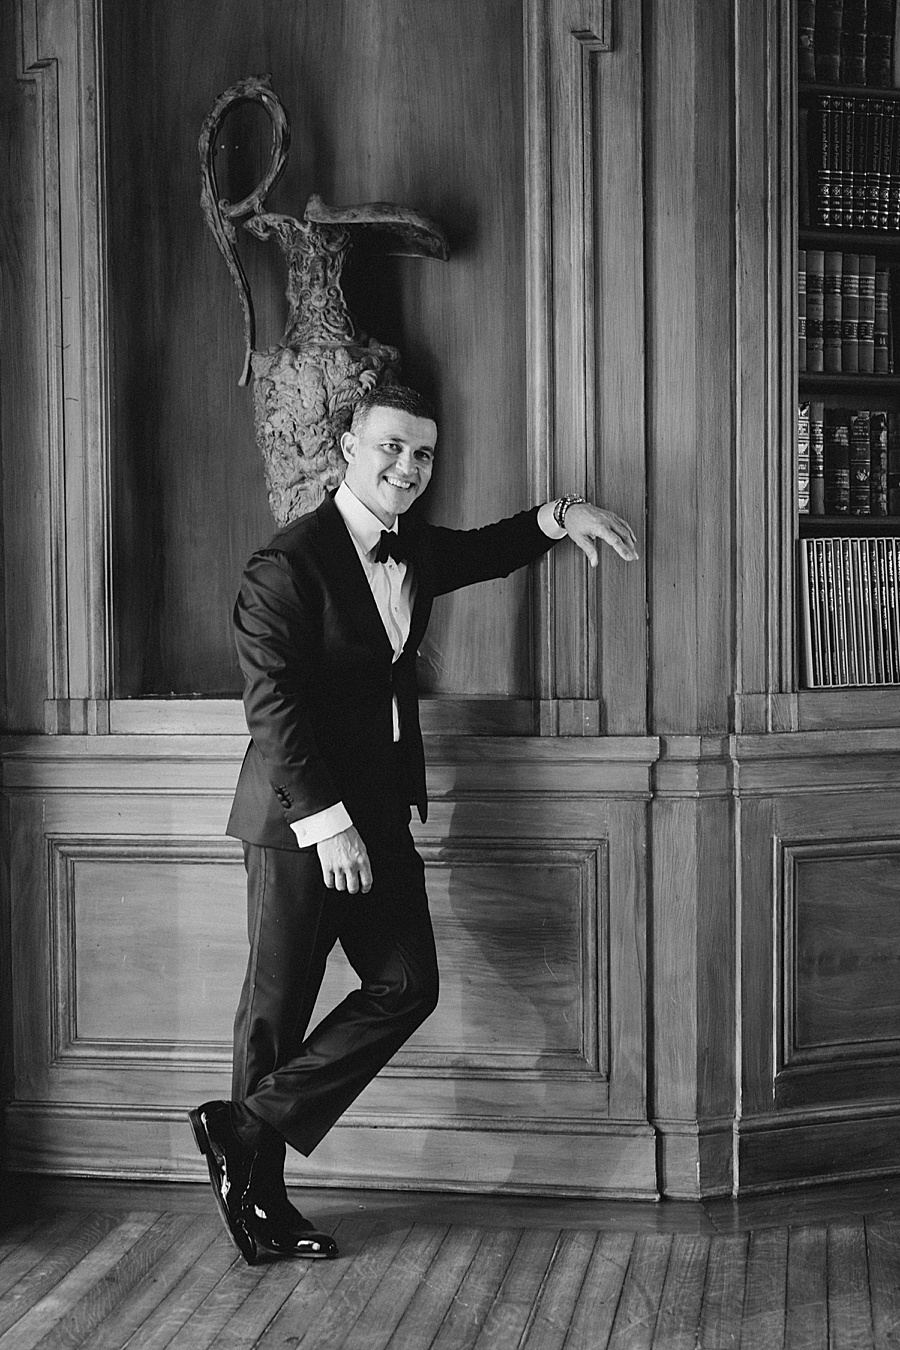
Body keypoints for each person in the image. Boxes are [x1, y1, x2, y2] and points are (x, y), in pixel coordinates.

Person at [189, 384, 638, 1264]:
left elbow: (490, 548)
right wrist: (329, 825)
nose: (407, 466)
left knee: (407, 984)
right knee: (276, 1015)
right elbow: (273, 707)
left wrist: (561, 515)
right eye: (391, 447)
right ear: (347, 448)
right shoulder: (288, 563)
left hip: (382, 816)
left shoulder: (414, 547)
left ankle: (240, 1128)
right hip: (299, 825)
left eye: (423, 454)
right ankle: (260, 1204)